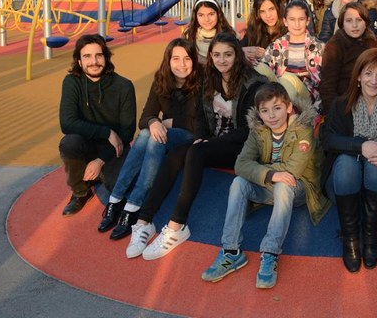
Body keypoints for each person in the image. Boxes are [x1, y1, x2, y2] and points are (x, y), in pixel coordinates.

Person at [127, 33, 265, 260]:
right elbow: (201, 116)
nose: (222, 60)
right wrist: (201, 136)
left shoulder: (252, 83)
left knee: (197, 151)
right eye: (217, 55)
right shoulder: (210, 79)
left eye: (228, 55)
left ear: (237, 55)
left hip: (242, 147)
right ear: (210, 56)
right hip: (212, 142)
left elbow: (249, 130)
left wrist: (209, 142)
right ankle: (144, 221)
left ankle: (177, 225)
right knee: (177, 155)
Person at [201, 83, 329, 288]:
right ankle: (231, 251)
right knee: (238, 182)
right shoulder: (258, 132)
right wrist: (270, 173)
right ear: (259, 114)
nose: (272, 116)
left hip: (298, 188)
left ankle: (270, 252)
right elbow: (240, 164)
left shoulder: (302, 131)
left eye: (277, 108)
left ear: (288, 108)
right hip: (272, 182)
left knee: (283, 186)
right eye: (265, 110)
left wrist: (264, 171)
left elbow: (293, 171)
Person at [98, 39, 201, 239]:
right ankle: (116, 200)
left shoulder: (202, 82)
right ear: (168, 61)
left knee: (155, 138)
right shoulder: (161, 80)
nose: (182, 64)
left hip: (190, 136)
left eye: (187, 59)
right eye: (176, 59)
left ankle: (133, 205)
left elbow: (201, 122)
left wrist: (168, 122)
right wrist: (154, 121)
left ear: (194, 61)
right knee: (147, 132)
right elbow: (145, 117)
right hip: (165, 132)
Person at [320, 48, 377, 272]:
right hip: (342, 185)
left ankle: (370, 234)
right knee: (346, 163)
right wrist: (361, 146)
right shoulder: (341, 105)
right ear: (359, 76)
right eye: (368, 73)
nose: (374, 80)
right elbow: (327, 139)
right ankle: (350, 237)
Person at [58, 34, 136, 217]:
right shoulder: (72, 82)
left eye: (98, 55)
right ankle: (81, 192)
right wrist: (106, 131)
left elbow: (127, 132)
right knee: (69, 143)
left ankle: (100, 173)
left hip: (114, 148)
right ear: (78, 61)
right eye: (87, 56)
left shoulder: (124, 86)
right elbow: (67, 123)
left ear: (106, 57)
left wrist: (100, 161)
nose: (94, 61)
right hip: (85, 144)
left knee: (122, 189)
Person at [260, 0, 324, 113]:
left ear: (308, 21)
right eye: (292, 20)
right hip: (278, 94)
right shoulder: (276, 46)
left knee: (287, 79)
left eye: (301, 19)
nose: (297, 24)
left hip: (306, 95)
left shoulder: (319, 47)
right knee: (260, 68)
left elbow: (325, 82)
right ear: (285, 21)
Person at [319, 2, 377, 114]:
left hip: (374, 98)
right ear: (342, 23)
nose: (354, 25)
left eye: (359, 20)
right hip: (346, 102)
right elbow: (328, 85)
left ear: (366, 22)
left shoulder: (375, 42)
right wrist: (333, 115)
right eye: (349, 21)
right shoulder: (335, 45)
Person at [183, 0, 235, 64]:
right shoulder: (188, 35)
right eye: (201, 15)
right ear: (195, 16)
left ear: (218, 14)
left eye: (211, 14)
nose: (206, 19)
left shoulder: (230, 35)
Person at [241, 0, 286, 66]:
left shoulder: (290, 30)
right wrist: (242, 51)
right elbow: (232, 50)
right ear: (257, 14)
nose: (268, 15)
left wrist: (267, 56)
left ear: (279, 7)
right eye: (262, 11)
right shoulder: (253, 31)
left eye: (271, 9)